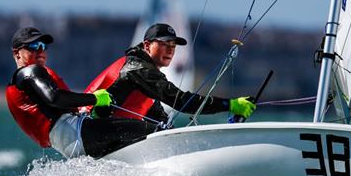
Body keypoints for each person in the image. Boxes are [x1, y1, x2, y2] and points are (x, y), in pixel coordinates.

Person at [5, 26, 157, 158]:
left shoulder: (19, 86)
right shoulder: (29, 72)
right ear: (17, 53)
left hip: (69, 145)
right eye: (33, 46)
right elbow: (55, 97)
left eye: (43, 46)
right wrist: (94, 99)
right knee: (150, 130)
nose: (40, 50)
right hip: (78, 133)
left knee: (126, 145)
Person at [87, 23, 255, 124]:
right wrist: (229, 105)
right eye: (165, 44)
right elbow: (181, 101)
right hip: (96, 132)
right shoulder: (140, 70)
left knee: (159, 126)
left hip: (108, 133)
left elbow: (159, 119)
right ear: (147, 45)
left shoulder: (146, 75)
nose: (170, 50)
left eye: (173, 46)